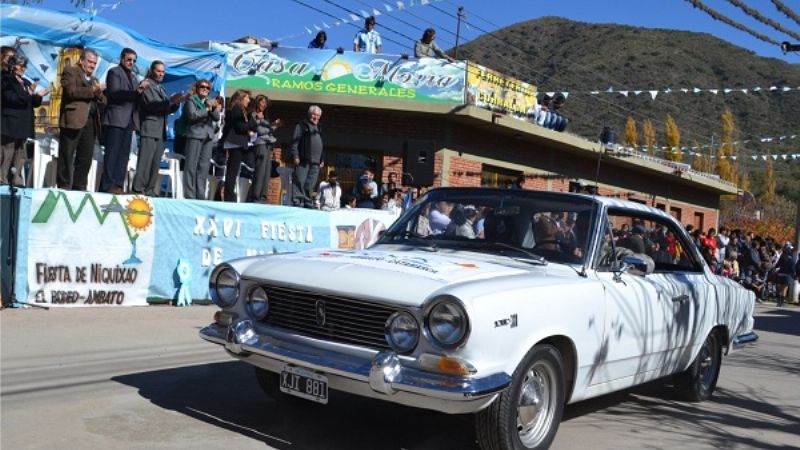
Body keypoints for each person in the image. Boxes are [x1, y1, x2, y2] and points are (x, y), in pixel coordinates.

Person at [131, 61, 184, 196]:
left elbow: (166, 108)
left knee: (155, 163)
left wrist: (176, 103)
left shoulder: (161, 88)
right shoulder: (147, 84)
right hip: (150, 127)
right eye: (158, 71)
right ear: (151, 71)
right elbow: (152, 105)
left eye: (163, 71)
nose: (161, 74)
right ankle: (138, 189)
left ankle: (150, 189)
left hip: (160, 130)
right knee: (145, 160)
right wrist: (170, 102)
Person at [56, 48, 106, 191]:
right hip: (73, 119)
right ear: (81, 60)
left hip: (90, 123)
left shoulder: (95, 80)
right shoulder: (70, 71)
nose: (92, 65)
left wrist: (100, 94)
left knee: (85, 158)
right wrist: (93, 91)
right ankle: (64, 187)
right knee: (67, 155)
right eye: (90, 62)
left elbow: (103, 101)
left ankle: (80, 187)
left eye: (94, 63)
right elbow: (71, 91)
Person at [102, 48, 147, 194]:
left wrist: (140, 94)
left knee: (123, 156)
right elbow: (115, 93)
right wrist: (135, 92)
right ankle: (107, 186)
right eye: (129, 60)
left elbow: (135, 98)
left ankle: (118, 185)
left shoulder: (134, 77)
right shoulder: (114, 72)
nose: (131, 63)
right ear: (122, 58)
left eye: (134, 61)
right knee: (112, 155)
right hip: (116, 119)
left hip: (129, 121)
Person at [1, 55, 48, 185]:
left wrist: (37, 96)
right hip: (10, 124)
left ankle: (17, 180)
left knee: (21, 154)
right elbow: (11, 99)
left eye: (24, 66)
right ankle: (2, 179)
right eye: (20, 65)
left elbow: (32, 103)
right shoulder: (5, 80)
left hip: (23, 124)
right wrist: (28, 93)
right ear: (12, 66)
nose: (23, 69)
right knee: (7, 153)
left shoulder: (25, 82)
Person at [183, 80, 221, 200]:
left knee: (204, 167)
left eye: (208, 88)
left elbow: (216, 118)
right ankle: (189, 194)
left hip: (208, 137)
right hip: (195, 135)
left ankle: (200, 194)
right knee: (191, 166)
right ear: (197, 88)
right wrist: (207, 109)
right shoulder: (191, 100)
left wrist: (213, 108)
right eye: (202, 87)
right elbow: (193, 116)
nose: (205, 89)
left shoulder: (209, 102)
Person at [222, 89, 257, 202]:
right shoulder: (236, 110)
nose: (248, 100)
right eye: (247, 98)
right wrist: (252, 123)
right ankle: (229, 196)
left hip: (240, 143)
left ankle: (231, 195)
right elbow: (240, 127)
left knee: (236, 170)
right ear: (241, 98)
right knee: (232, 171)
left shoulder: (243, 111)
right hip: (235, 143)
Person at [247, 95, 280, 203]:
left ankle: (263, 197)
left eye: (266, 103)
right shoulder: (253, 114)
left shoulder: (265, 117)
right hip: (260, 144)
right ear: (257, 103)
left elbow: (266, 129)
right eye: (262, 102)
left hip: (268, 145)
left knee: (266, 173)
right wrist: (270, 127)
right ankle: (255, 196)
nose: (264, 105)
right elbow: (259, 131)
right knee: (260, 172)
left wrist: (273, 126)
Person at [290, 105, 324, 208]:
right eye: (314, 114)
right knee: (299, 181)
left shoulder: (319, 128)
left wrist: (322, 159)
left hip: (316, 162)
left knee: (311, 183)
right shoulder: (301, 125)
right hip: (303, 159)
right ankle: (297, 202)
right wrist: (295, 155)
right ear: (309, 114)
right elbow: (295, 142)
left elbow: (321, 144)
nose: (316, 117)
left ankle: (308, 202)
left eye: (318, 115)